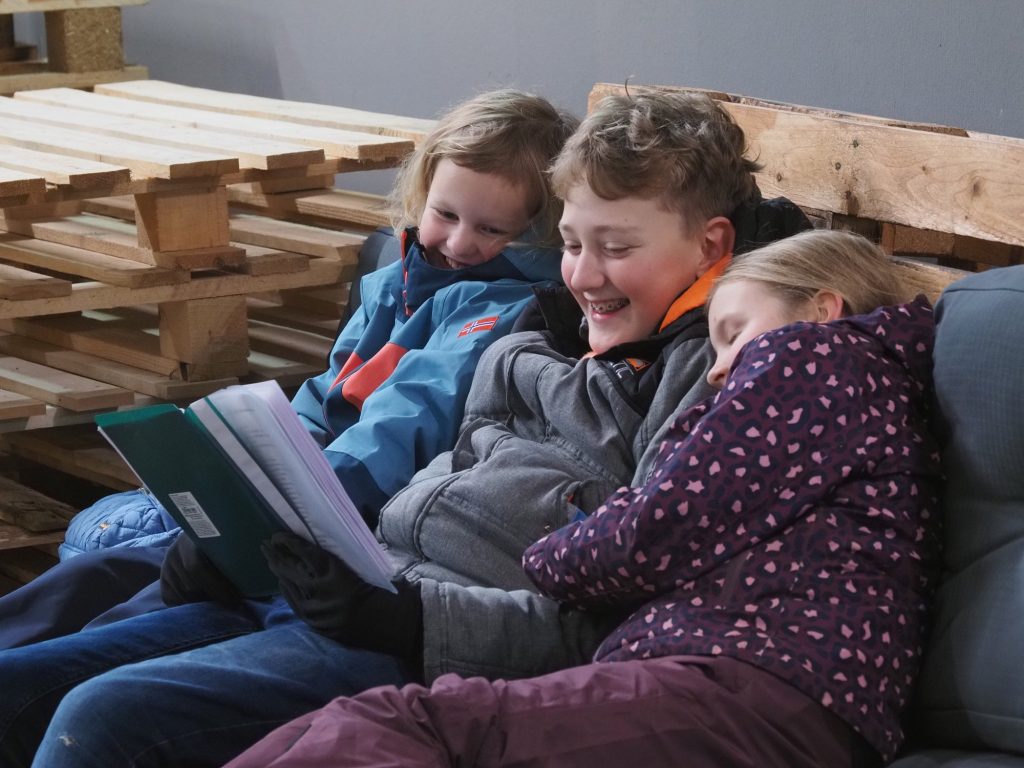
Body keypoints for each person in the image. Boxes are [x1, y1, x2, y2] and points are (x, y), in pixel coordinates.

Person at [8, 90, 809, 768]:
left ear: (711, 244)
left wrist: (404, 618)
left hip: (418, 641)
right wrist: (260, 550)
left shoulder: (710, 383)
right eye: (570, 243)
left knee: (102, 717)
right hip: (344, 590)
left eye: (617, 248)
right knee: (26, 682)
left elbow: (618, 617)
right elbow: (437, 472)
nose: (585, 273)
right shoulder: (537, 334)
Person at [224, 229, 945, 768]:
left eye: (734, 335)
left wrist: (550, 553)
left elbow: (652, 527)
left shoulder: (818, 355)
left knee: (399, 727)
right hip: (729, 686)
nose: (718, 370)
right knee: (351, 725)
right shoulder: (852, 406)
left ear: (823, 308)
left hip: (761, 688)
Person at [0, 86, 576, 761]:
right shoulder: (397, 283)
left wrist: (262, 505)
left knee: (116, 609)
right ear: (422, 194)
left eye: (492, 230)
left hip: (337, 519)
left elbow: (397, 433)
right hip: (298, 495)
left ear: (537, 234)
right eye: (444, 214)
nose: (458, 241)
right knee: (96, 560)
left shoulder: (502, 312)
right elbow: (322, 401)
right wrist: (237, 464)